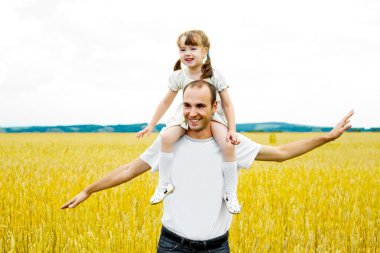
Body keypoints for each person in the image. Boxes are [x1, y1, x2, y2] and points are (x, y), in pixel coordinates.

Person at [61, 80, 353, 253]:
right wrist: (89, 190)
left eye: (200, 106)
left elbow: (280, 153)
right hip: (172, 245)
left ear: (215, 108)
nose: (192, 112)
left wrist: (327, 137)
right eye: (187, 105)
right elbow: (128, 170)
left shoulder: (230, 142)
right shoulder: (168, 142)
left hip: (216, 247)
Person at [136, 30, 241, 214]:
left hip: (212, 116)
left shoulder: (215, 75)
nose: (187, 53)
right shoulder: (179, 76)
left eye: (193, 48)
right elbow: (166, 101)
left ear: (205, 50)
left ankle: (230, 193)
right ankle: (164, 184)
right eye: (183, 49)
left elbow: (227, 103)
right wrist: (151, 124)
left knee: (228, 145)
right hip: (185, 115)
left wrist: (232, 129)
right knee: (167, 137)